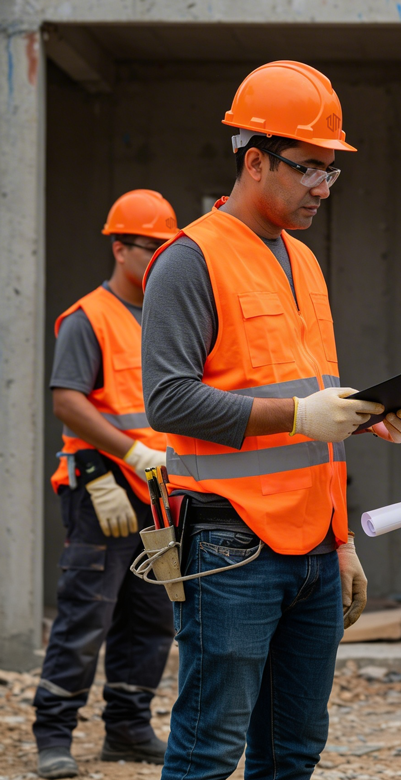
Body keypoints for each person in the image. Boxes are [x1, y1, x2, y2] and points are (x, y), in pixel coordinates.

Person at [141, 60, 401, 780]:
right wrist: (300, 415)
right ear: (255, 160)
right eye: (309, 168)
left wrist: (343, 531)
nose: (323, 187)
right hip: (230, 547)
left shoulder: (302, 260)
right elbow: (168, 400)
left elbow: (310, 404)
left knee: (293, 753)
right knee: (208, 751)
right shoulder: (189, 259)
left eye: (332, 170)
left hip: (313, 552)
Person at [34, 190, 178, 779]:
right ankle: (53, 735)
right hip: (102, 487)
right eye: (150, 248)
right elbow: (68, 401)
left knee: (151, 616)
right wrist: (127, 455)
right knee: (85, 614)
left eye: (167, 249)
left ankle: (128, 728)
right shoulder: (87, 317)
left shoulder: (167, 319)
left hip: (157, 493)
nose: (160, 260)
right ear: (120, 249)